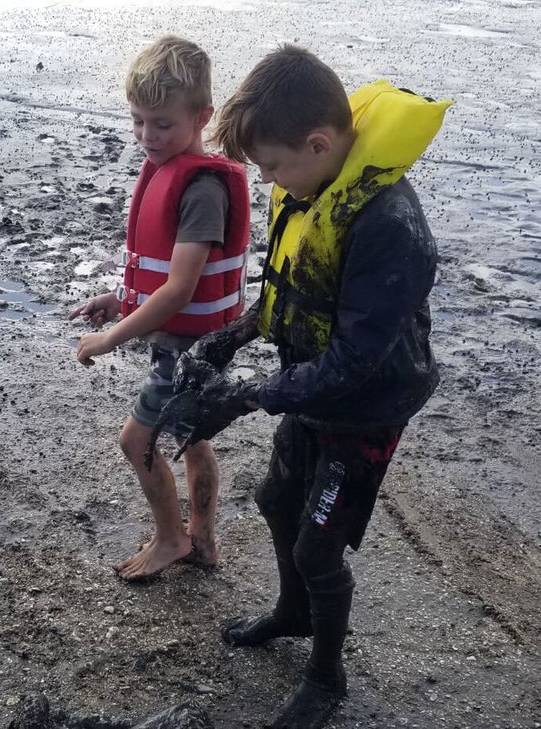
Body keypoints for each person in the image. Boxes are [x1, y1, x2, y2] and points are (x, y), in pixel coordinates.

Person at [177, 46, 450, 728]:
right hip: (310, 387)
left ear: (320, 142)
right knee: (276, 499)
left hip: (366, 408)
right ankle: (293, 612)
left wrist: (249, 394)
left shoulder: (390, 227)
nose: (268, 178)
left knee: (317, 544)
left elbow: (357, 360)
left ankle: (326, 677)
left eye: (271, 165)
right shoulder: (310, 184)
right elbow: (287, 294)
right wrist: (233, 336)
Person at [69, 36, 251, 581]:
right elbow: (163, 282)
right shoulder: (173, 170)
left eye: (162, 124)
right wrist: (117, 300)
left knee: (138, 440)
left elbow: (178, 290)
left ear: (202, 116)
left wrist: (113, 336)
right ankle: (203, 541)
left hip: (188, 350)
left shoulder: (202, 190)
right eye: (138, 121)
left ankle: (173, 539)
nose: (148, 136)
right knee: (193, 437)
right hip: (193, 342)